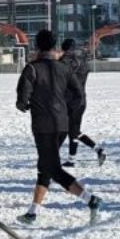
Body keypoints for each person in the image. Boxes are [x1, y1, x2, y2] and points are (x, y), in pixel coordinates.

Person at [16, 30, 103, 225]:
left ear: (36, 46)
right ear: (55, 46)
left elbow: (21, 99)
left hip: (43, 126)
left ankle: (91, 200)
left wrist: (26, 105)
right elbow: (78, 94)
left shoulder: (32, 68)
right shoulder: (64, 68)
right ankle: (33, 211)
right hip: (62, 124)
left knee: (52, 168)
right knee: (45, 166)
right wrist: (65, 108)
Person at [59, 38, 106, 167]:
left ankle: (70, 159)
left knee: (69, 131)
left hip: (70, 100)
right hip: (81, 100)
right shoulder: (84, 62)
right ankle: (96, 150)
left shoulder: (65, 61)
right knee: (73, 131)